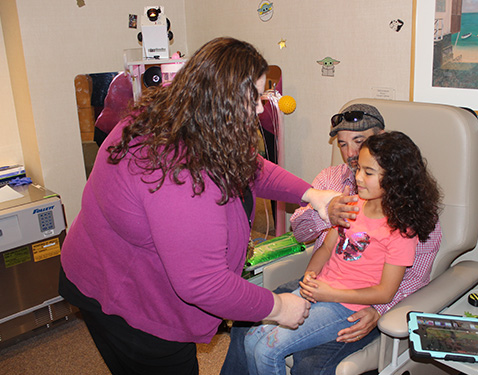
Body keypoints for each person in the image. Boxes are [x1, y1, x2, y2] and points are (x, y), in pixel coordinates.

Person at [58, 37, 341, 375]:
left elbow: (250, 164)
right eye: (253, 98)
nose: (259, 109)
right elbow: (204, 283)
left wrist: (312, 194)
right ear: (222, 103)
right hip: (124, 295)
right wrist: (278, 307)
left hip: (115, 266)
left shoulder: (179, 119)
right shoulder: (179, 172)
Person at [220, 103, 442, 375]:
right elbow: (307, 236)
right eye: (342, 144)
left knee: (296, 358)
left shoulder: (410, 218)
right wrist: (325, 215)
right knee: (248, 326)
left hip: (355, 300)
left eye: (358, 142)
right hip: (321, 284)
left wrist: (381, 310)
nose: (350, 156)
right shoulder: (339, 187)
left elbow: (410, 279)